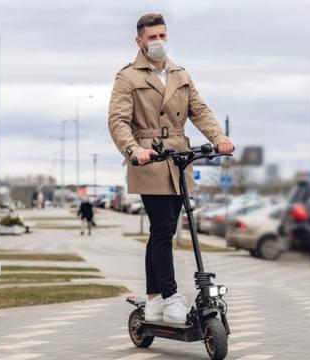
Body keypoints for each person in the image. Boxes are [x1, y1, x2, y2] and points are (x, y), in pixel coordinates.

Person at [108, 13, 233, 324]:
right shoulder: (128, 77)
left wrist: (219, 138)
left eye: (162, 35)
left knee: (162, 230)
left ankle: (153, 300)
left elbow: (199, 110)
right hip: (149, 158)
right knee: (163, 228)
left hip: (179, 158)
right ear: (139, 41)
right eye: (152, 37)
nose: (159, 42)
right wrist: (134, 150)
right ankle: (170, 294)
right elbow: (117, 121)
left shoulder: (180, 74)